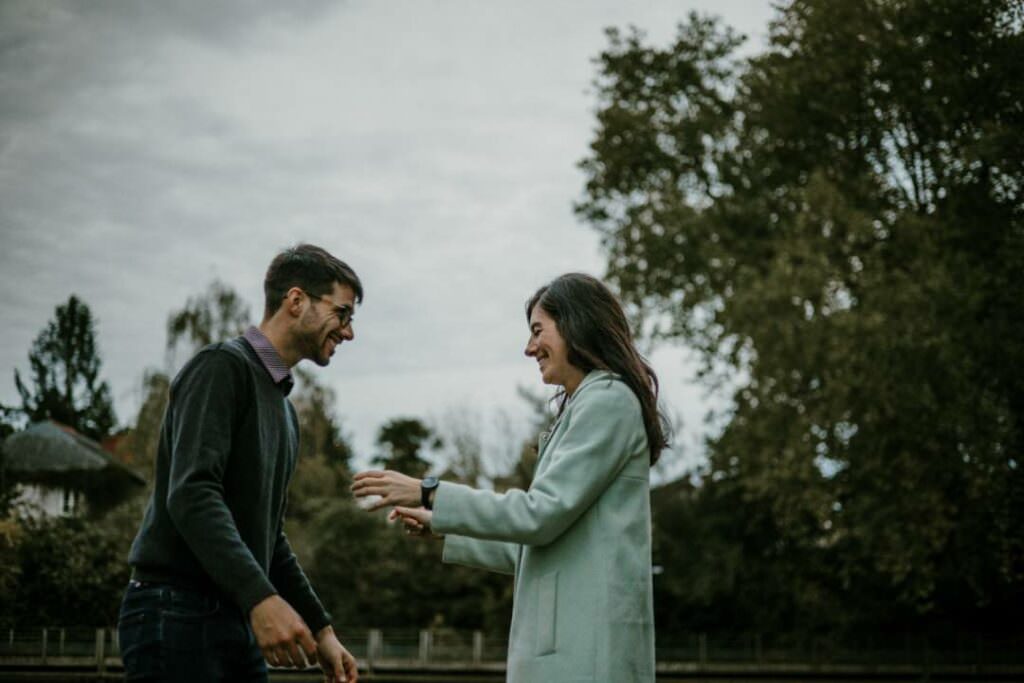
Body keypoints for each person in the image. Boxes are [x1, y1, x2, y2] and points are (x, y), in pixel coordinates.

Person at [352, 272, 666, 682]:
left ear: (576, 324)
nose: (529, 347)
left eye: (538, 331)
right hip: (569, 651)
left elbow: (538, 516)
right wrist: (447, 529)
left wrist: (429, 493)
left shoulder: (608, 400)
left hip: (589, 652)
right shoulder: (587, 404)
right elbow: (538, 547)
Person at [120, 244, 361, 683]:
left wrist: (320, 628)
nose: (348, 332)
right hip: (176, 613)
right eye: (342, 314)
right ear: (295, 300)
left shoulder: (285, 412)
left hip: (233, 618)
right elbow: (192, 494)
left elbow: (268, 537)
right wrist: (261, 599)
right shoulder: (220, 369)